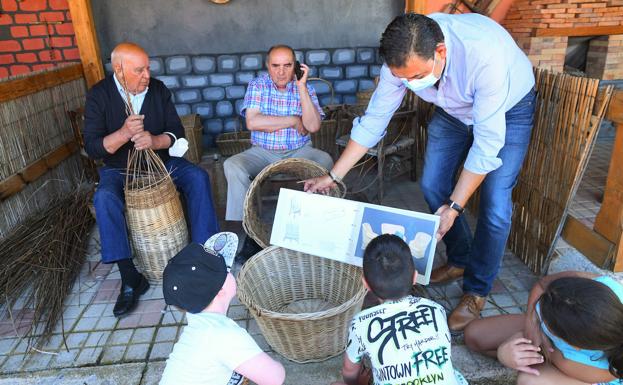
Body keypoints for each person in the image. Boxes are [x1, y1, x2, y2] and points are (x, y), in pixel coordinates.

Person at [305, 13, 536, 332]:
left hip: (509, 109)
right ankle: (458, 259)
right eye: (405, 79)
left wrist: (455, 207)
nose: (411, 84)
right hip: (455, 109)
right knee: (431, 185)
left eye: (418, 76)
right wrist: (334, 176)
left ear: (440, 52)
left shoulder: (484, 57)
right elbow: (374, 122)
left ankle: (477, 290)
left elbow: (486, 146)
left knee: (496, 205)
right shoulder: (398, 62)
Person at [83, 42, 219, 318]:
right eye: (140, 70)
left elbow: (177, 134)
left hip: (162, 164)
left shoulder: (157, 90)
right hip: (120, 169)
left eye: (148, 67)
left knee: (197, 177)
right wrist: (123, 133)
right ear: (119, 70)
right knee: (104, 197)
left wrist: (155, 140)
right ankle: (130, 277)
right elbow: (94, 147)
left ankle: (204, 256)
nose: (147, 74)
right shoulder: (99, 95)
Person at [224, 44, 333, 261]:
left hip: (300, 150)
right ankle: (250, 232)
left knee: (325, 161)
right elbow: (253, 122)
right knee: (232, 165)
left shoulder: (306, 88)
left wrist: (301, 87)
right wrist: (293, 120)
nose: (281, 72)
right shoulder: (258, 85)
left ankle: (313, 227)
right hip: (262, 152)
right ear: (267, 66)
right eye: (275, 65)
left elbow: (312, 126)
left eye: (287, 65)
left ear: (296, 67)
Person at [332, 234, 467, 385]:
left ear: (365, 284)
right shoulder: (436, 309)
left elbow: (349, 371)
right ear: (415, 277)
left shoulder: (361, 323)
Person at [159, 233, 285, 385]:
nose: (232, 271)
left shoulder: (199, 326)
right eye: (227, 270)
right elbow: (274, 378)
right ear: (220, 291)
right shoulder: (224, 336)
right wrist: (279, 367)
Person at [464, 271, 623, 385]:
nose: (539, 306)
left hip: (587, 374)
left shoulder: (589, 366)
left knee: (529, 381)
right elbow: (543, 284)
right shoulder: (604, 287)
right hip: (561, 338)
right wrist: (531, 322)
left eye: (544, 318)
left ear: (573, 345)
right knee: (474, 335)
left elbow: (545, 357)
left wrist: (506, 355)